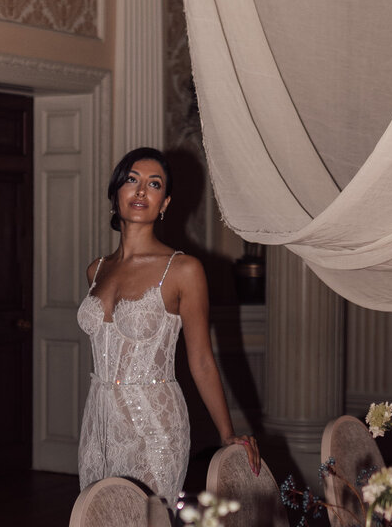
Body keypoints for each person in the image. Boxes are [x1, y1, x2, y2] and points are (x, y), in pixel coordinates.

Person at [77, 146, 260, 504]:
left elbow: (202, 360)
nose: (141, 190)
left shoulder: (183, 270)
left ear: (165, 203)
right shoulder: (96, 269)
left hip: (155, 426)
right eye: (132, 180)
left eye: (154, 184)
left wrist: (227, 433)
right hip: (99, 423)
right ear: (116, 194)